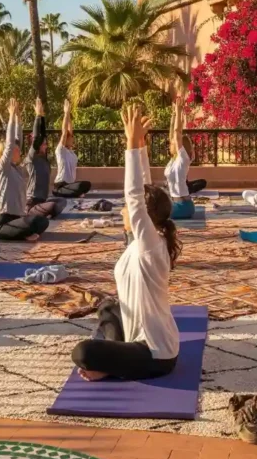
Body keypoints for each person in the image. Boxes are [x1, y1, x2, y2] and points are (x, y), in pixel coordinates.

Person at [71, 103, 180, 381]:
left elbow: (134, 196)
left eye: (129, 210)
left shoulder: (150, 246)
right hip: (137, 340)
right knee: (108, 307)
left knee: (82, 353)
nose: (123, 211)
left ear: (143, 216)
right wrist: (141, 145)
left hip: (156, 352)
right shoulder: (144, 240)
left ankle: (109, 363)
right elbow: (143, 189)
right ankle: (114, 356)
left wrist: (131, 146)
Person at [0, 98, 50, 241]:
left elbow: (18, 140)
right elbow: (11, 144)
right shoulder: (3, 169)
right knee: (35, 223)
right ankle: (22, 233)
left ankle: (23, 232)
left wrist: (18, 118)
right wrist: (11, 116)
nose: (19, 151)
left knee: (43, 221)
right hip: (3, 223)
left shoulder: (18, 169)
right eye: (16, 151)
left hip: (18, 218)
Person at [24, 97, 67, 219]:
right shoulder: (32, 158)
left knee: (62, 202)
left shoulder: (43, 158)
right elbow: (37, 138)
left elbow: (43, 135)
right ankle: (40, 213)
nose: (46, 145)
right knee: (53, 205)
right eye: (44, 144)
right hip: (32, 202)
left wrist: (42, 117)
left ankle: (45, 212)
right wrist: (37, 116)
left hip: (43, 200)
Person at [53, 99, 92, 198]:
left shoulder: (71, 152)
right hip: (60, 185)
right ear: (65, 140)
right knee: (79, 187)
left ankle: (73, 193)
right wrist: (65, 113)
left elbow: (70, 129)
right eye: (71, 138)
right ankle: (65, 193)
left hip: (70, 185)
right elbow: (65, 132)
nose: (72, 139)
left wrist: (69, 114)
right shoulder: (60, 151)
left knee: (87, 184)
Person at [165, 97, 196, 219]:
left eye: (173, 143)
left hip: (183, 206)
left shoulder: (183, 159)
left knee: (151, 214)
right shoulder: (173, 160)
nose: (170, 144)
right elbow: (172, 133)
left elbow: (177, 133)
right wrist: (174, 114)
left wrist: (179, 111)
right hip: (175, 203)